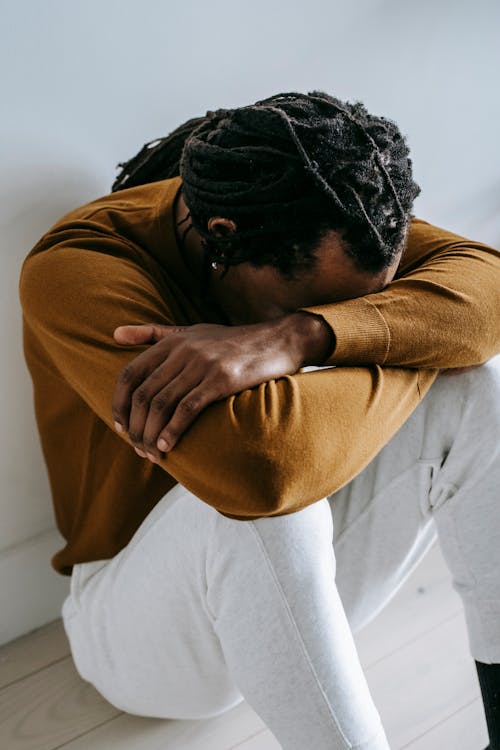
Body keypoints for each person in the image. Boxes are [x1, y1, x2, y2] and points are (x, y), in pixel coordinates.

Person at [19, 91, 500, 750]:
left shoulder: (337, 214)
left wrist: (301, 336)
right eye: (317, 305)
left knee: (476, 386)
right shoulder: (78, 266)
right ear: (222, 239)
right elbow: (255, 468)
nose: (354, 314)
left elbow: (489, 295)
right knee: (257, 509)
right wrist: (422, 339)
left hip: (299, 592)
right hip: (139, 632)